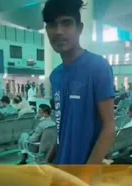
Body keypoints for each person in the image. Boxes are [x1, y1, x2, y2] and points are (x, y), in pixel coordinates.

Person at [43, 0, 115, 165]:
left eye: (67, 23)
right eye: (52, 25)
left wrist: (86, 176)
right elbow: (63, 127)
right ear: (47, 30)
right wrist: (48, 160)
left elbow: (109, 127)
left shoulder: (98, 67)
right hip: (62, 168)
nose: (59, 31)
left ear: (79, 28)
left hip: (86, 173)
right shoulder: (55, 76)